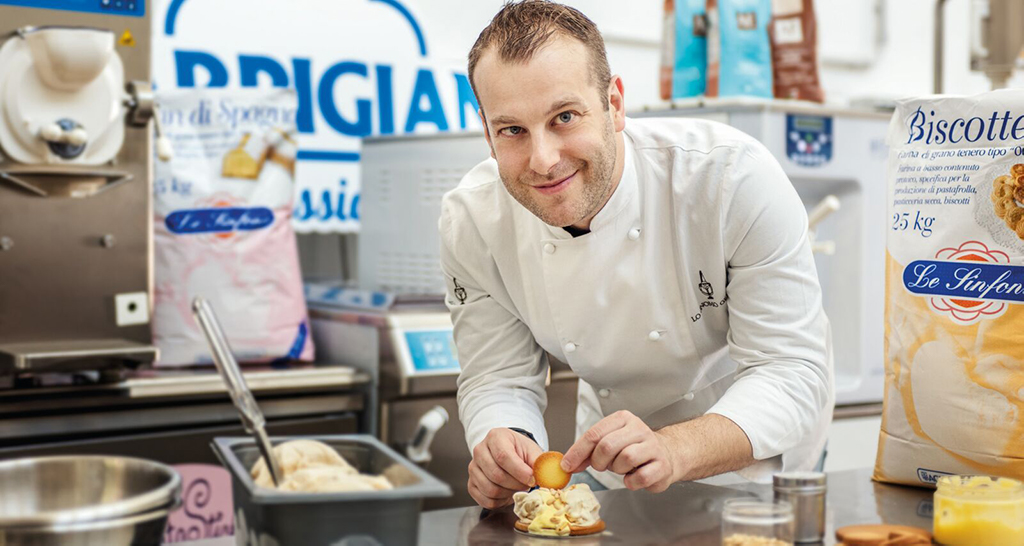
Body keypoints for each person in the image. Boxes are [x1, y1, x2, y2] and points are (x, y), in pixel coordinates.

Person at [439, 0, 834, 509]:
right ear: (488, 133)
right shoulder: (472, 219)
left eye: (564, 117)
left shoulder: (730, 179)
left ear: (615, 103)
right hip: (612, 471)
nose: (542, 159)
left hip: (759, 462)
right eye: (511, 129)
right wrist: (503, 438)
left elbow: (790, 372)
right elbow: (498, 375)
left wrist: (673, 446)